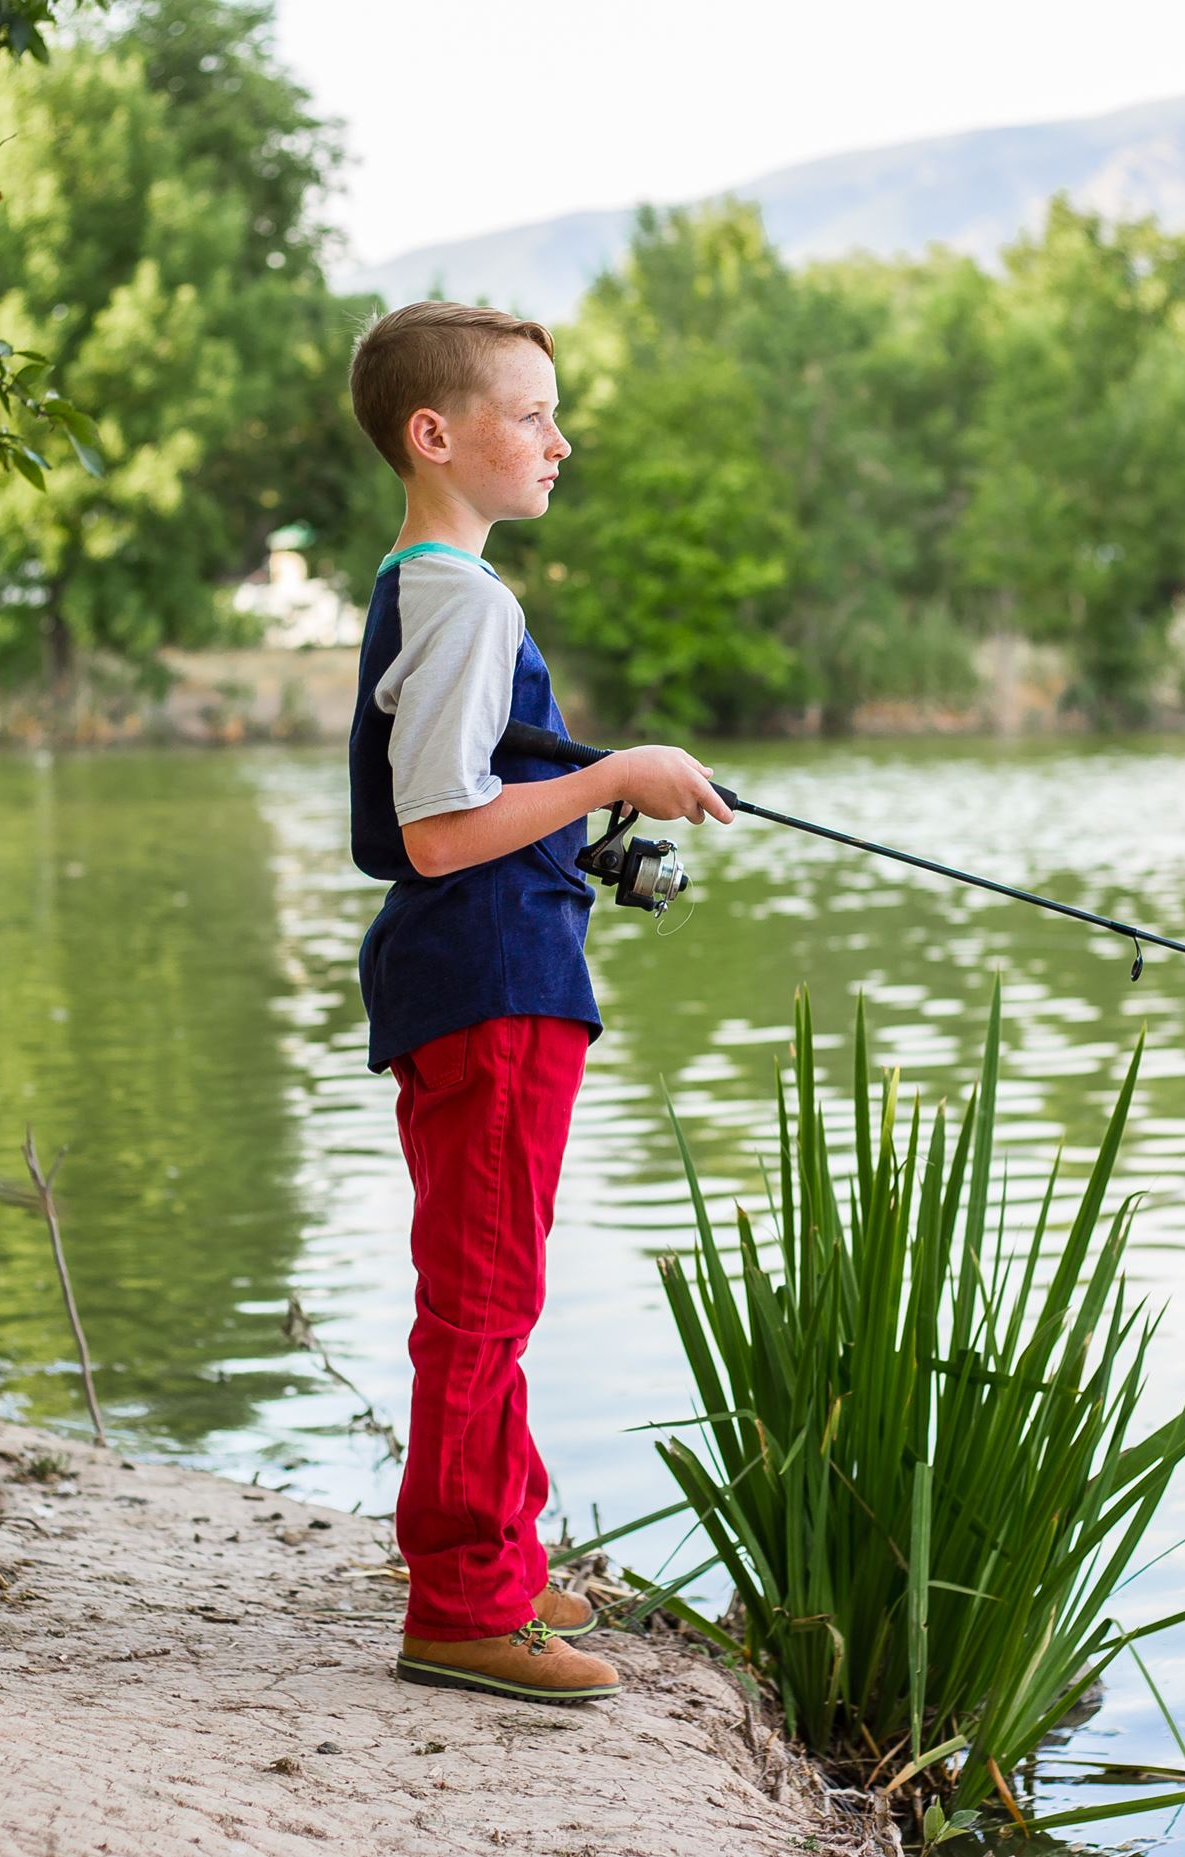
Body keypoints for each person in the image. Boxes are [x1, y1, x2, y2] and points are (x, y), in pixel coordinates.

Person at [344, 302, 732, 1704]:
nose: (560, 442)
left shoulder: (425, 586)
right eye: (533, 415)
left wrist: (579, 821)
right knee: (484, 1296)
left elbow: (457, 805)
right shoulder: (465, 598)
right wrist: (612, 774)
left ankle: (494, 1555)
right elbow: (441, 831)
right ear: (435, 436)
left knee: (486, 1285)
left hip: (485, 982)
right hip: (492, 993)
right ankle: (462, 1603)